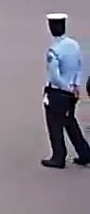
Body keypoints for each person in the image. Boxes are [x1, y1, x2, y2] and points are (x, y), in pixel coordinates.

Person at [42, 12, 90, 168]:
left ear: (51, 28)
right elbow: (78, 66)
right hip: (72, 92)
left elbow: (55, 76)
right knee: (70, 122)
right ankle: (85, 153)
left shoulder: (53, 50)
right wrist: (75, 86)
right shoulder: (73, 45)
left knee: (54, 125)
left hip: (57, 93)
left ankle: (58, 157)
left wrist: (65, 88)